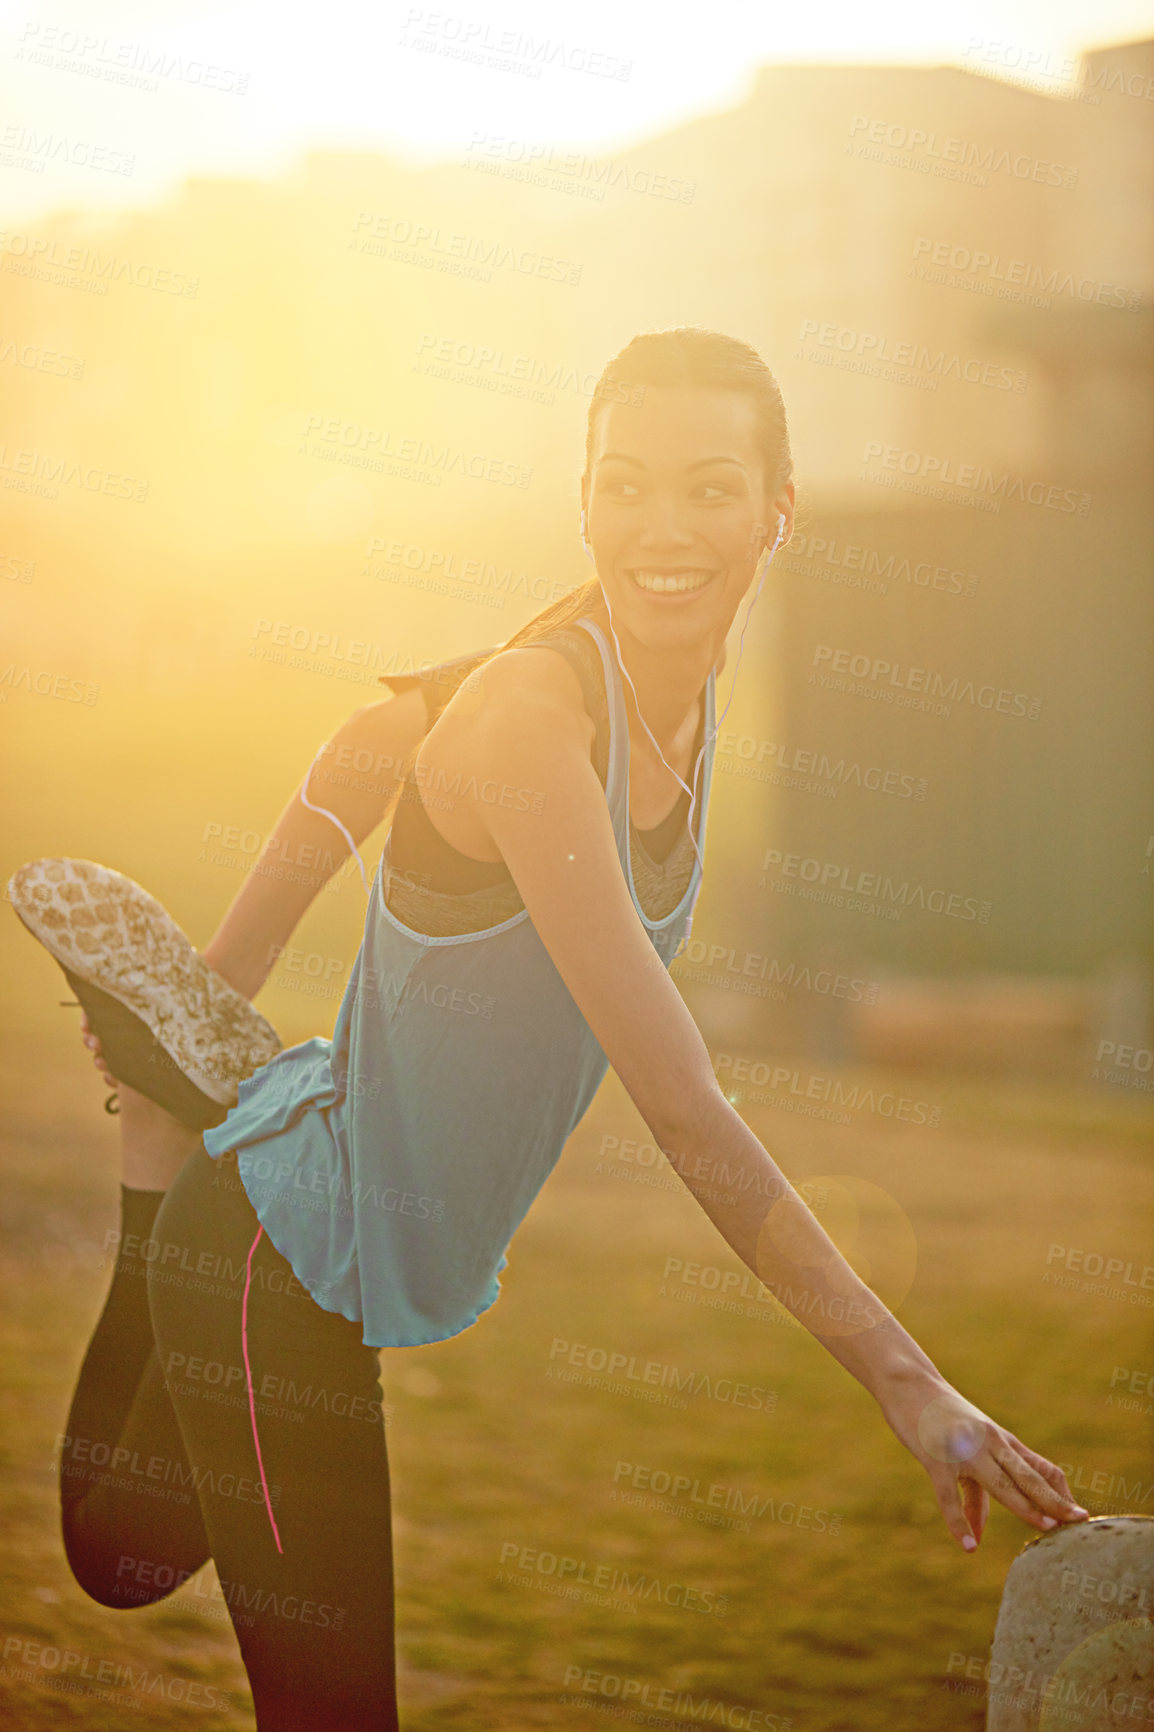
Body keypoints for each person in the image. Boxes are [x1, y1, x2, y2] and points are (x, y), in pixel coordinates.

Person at [14, 329, 1088, 1730]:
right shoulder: (539, 711)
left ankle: (168, 1121)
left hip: (333, 1234)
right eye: (622, 485)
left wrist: (215, 986)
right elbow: (682, 1103)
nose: (661, 529)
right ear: (582, 498)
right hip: (284, 1253)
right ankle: (186, 1109)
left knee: (119, 1560)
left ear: (778, 507)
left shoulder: (671, 683)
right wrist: (906, 1379)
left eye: (710, 488)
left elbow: (392, 726)